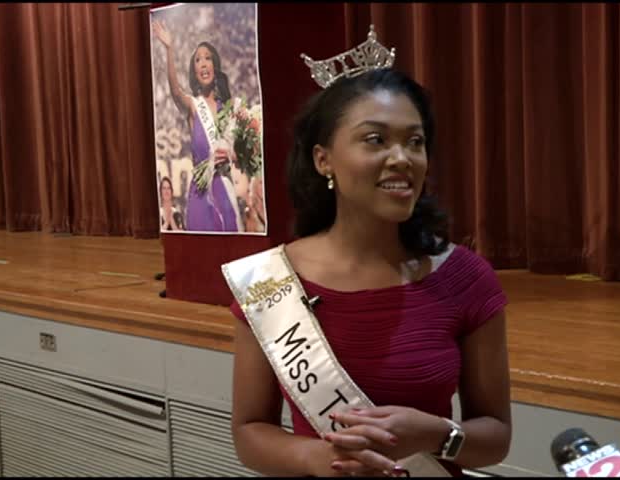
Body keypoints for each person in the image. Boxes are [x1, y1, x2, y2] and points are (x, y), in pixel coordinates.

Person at [226, 62, 512, 477]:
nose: (402, 158)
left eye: (415, 141)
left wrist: (437, 434)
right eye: (375, 140)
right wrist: (317, 458)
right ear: (323, 160)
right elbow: (250, 431)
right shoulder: (271, 282)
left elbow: (497, 436)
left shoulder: (466, 278)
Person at [152, 20, 242, 232]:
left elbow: (244, 154)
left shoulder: (230, 109)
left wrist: (233, 156)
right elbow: (175, 91)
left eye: (207, 58)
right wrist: (169, 49)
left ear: (214, 66)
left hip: (225, 187)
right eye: (198, 60)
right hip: (200, 192)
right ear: (195, 71)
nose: (203, 63)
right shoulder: (193, 105)